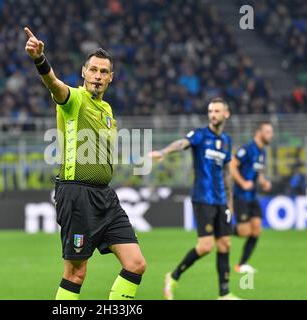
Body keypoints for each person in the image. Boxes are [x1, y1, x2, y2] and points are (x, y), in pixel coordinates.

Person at [24, 27, 146, 300]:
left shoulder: (108, 110)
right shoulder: (74, 100)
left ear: (111, 78)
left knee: (136, 264)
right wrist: (39, 60)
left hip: (105, 197)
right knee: (76, 273)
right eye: (93, 70)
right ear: (84, 72)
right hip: (76, 194)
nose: (98, 76)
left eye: (104, 72)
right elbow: (54, 84)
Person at [150, 98, 240, 300]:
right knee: (206, 247)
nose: (213, 114)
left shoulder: (226, 141)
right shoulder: (201, 135)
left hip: (221, 200)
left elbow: (227, 173)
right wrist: (164, 152)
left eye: (217, 110)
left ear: (226, 114)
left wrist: (230, 204)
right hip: (203, 198)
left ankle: (224, 294)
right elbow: (183, 142)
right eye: (210, 111)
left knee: (225, 244)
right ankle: (173, 276)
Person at [230, 122, 274, 273]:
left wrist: (263, 182)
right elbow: (232, 165)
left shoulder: (262, 152)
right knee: (244, 232)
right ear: (259, 132)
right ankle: (221, 229)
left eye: (271, 132)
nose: (271, 135)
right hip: (241, 196)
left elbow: (258, 172)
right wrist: (242, 182)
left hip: (252, 196)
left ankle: (241, 265)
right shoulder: (247, 149)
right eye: (268, 132)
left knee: (257, 229)